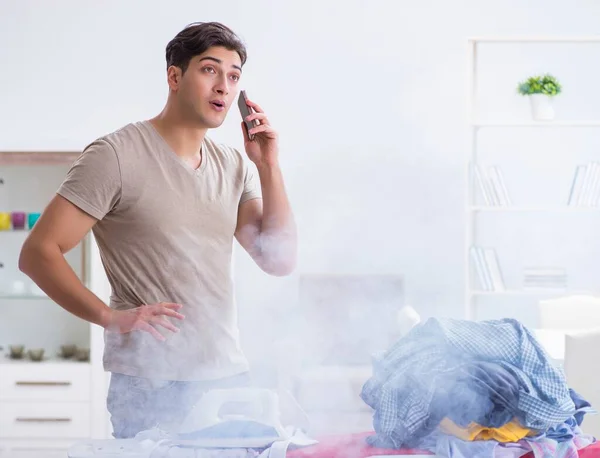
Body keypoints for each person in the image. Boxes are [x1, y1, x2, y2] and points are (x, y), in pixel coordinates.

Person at [18, 21, 296, 438]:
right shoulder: (115, 156)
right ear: (174, 76)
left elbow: (278, 260)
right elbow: (38, 253)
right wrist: (110, 318)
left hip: (226, 375)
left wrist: (268, 164)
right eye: (209, 69)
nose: (224, 86)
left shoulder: (236, 167)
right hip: (150, 385)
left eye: (234, 75)